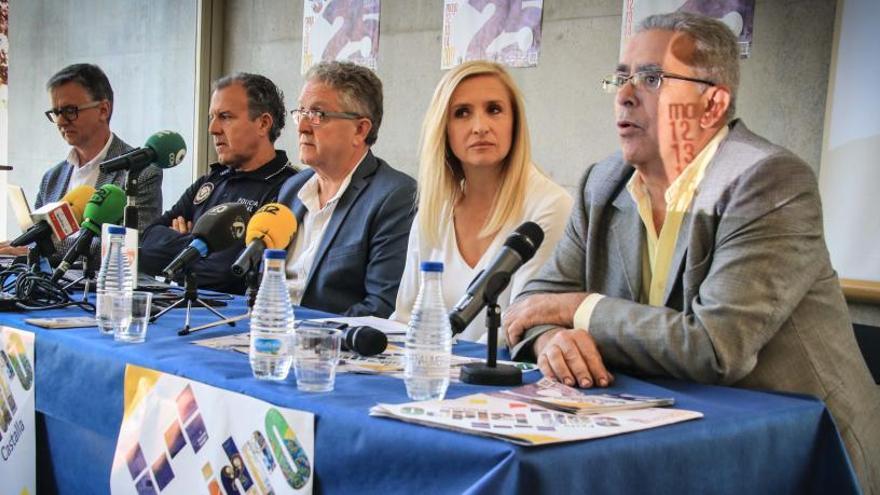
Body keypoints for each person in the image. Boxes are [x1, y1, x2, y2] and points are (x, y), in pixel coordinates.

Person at [502, 12, 880, 491]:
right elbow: (535, 301)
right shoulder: (604, 183)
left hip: (799, 456)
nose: (624, 94)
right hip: (669, 437)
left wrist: (579, 309)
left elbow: (714, 348)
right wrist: (551, 341)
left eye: (652, 78)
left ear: (712, 104)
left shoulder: (768, 182)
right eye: (621, 77)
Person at [391, 61, 572, 343]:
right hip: (434, 373)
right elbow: (406, 317)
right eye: (462, 113)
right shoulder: (435, 209)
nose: (480, 127)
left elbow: (517, 330)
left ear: (515, 123)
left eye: (494, 110)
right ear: (444, 129)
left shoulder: (551, 206)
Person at [277, 61, 416, 317]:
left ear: (360, 130)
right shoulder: (292, 188)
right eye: (301, 112)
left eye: (318, 114)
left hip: (332, 347)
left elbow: (381, 307)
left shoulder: (395, 196)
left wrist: (306, 334)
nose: (302, 126)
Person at [139, 73, 296, 294]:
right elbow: (146, 246)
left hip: (232, 321)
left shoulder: (287, 186)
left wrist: (183, 243)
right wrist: (198, 244)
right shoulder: (211, 180)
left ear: (263, 123)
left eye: (225, 117)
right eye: (212, 117)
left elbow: (226, 273)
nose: (213, 129)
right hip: (183, 309)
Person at [0, 63, 163, 262]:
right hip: (48, 287)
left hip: (103, 289)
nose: (60, 121)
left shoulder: (141, 172)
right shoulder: (52, 178)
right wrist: (19, 247)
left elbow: (133, 246)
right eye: (56, 112)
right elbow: (35, 239)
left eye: (70, 111)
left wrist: (47, 245)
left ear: (103, 110)